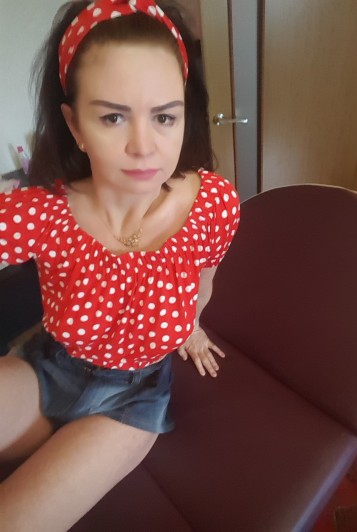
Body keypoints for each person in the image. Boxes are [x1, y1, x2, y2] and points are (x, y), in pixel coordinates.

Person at [0, 0, 240, 530]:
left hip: (133, 399)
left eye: (164, 116)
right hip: (48, 368)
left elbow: (204, 278)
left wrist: (190, 326)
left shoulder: (214, 205)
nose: (143, 147)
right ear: (75, 125)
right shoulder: (42, 214)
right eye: (113, 117)